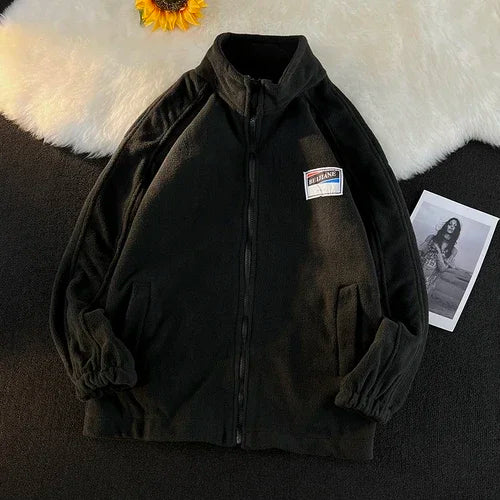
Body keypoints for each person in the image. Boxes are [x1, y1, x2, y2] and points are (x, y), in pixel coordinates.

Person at [418, 217, 460, 298]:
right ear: (446, 225)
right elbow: (418, 254)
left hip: (428, 283)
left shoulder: (453, 250)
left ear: (456, 230)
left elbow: (442, 269)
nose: (452, 227)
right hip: (418, 275)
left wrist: (438, 250)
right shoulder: (431, 238)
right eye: (450, 224)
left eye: (455, 226)